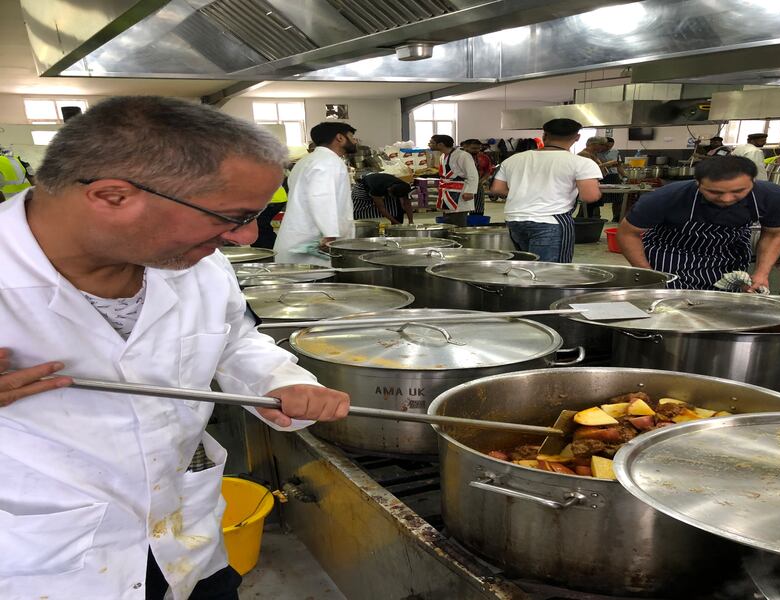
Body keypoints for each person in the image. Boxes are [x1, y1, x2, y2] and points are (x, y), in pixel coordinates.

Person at [0, 96, 350, 600]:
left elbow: (232, 337)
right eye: (231, 217)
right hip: (46, 564)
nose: (246, 237)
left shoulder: (197, 265)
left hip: (185, 536)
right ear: (113, 195)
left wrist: (279, 380)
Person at [617, 155, 780, 291]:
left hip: (728, 257)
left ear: (753, 181)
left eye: (738, 191)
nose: (726, 199)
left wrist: (762, 273)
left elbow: (774, 234)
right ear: (698, 183)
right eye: (714, 192)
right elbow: (628, 233)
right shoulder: (665, 197)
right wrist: (649, 275)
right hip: (670, 255)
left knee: (721, 312)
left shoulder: (777, 198)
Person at [489, 118, 602, 263]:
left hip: (515, 220)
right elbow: (590, 196)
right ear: (577, 137)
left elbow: (497, 189)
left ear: (544, 135)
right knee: (551, 272)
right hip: (551, 221)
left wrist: (525, 194)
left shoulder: (514, 159)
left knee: (524, 268)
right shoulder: (582, 163)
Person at [274, 122, 357, 265]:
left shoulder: (307, 160)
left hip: (301, 237)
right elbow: (321, 198)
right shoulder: (328, 162)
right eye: (352, 137)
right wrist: (330, 234)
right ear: (339, 138)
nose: (355, 141)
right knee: (315, 281)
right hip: (315, 243)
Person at [428, 134, 478, 226]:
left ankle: (461, 239)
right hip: (447, 192)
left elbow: (473, 175)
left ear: (441, 145)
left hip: (460, 193)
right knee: (448, 221)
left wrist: (470, 191)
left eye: (432, 143)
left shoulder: (463, 155)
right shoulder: (443, 156)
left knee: (458, 221)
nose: (429, 144)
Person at [460, 138, 494, 216]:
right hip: (461, 185)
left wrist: (480, 182)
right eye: (473, 148)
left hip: (478, 185)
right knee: (461, 209)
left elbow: (488, 171)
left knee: (478, 209)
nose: (477, 150)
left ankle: (476, 224)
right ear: (465, 147)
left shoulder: (483, 157)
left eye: (479, 148)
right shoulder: (459, 157)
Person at [597, 137, 627, 222]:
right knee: (597, 199)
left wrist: (625, 176)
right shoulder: (595, 153)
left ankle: (616, 218)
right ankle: (596, 218)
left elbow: (619, 166)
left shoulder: (615, 152)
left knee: (618, 199)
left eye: (610, 146)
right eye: (606, 146)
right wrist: (607, 164)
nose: (608, 148)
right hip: (600, 177)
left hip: (613, 176)